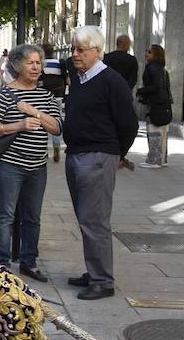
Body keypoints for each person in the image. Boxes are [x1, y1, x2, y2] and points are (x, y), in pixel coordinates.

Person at [64, 26, 138, 300]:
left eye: (80, 50)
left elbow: (128, 124)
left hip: (97, 157)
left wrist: (116, 154)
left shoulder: (111, 80)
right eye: (74, 49)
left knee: (94, 221)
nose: (75, 55)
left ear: (97, 50)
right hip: (76, 154)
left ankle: (103, 280)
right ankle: (94, 270)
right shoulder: (80, 77)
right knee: (86, 219)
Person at [0, 44, 63, 282]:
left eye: (39, 62)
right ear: (17, 65)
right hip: (9, 165)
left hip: (38, 166)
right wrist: (18, 125)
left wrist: (34, 113)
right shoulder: (4, 94)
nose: (36, 67)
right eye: (31, 62)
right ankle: (3, 264)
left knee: (32, 217)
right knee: (5, 215)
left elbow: (57, 127)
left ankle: (29, 262)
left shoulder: (46, 95)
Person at [137, 44, 172, 168]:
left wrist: (141, 91)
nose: (147, 53)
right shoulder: (163, 70)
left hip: (155, 104)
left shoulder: (152, 68)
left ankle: (154, 160)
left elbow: (156, 87)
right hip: (164, 104)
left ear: (156, 55)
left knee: (153, 130)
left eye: (150, 52)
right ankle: (162, 159)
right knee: (163, 132)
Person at [39, 43, 70, 162]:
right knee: (56, 121)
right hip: (57, 96)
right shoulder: (60, 63)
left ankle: (43, 149)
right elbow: (67, 79)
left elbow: (37, 81)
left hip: (43, 96)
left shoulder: (41, 64)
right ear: (52, 52)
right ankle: (56, 145)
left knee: (41, 121)